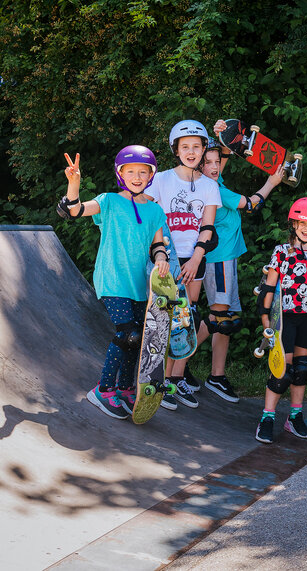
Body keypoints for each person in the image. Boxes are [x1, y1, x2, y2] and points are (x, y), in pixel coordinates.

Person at [58, 148, 169, 418]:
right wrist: (74, 185)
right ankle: (103, 390)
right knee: (127, 334)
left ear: (151, 175)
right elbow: (74, 211)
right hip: (111, 279)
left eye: (143, 171)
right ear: (120, 174)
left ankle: (126, 387)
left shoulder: (155, 210)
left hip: (137, 285)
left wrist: (162, 259)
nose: (137, 176)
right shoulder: (108, 201)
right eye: (130, 171)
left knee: (139, 339)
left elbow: (157, 244)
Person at [199, 130, 283, 402]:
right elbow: (251, 205)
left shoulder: (212, 179)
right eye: (208, 163)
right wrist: (272, 182)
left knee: (228, 321)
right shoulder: (213, 189)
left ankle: (216, 376)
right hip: (217, 259)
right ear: (199, 166)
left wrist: (223, 136)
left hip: (227, 258)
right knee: (219, 318)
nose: (214, 167)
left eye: (215, 162)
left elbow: (222, 158)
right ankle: (174, 365)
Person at [145, 119, 222, 409]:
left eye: (196, 146)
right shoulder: (161, 179)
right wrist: (163, 253)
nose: (191, 151)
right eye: (185, 146)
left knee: (187, 319)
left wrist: (196, 259)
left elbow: (207, 227)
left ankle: (176, 380)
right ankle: (158, 380)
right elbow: (148, 216)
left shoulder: (209, 186)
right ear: (176, 150)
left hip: (194, 259)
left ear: (204, 150)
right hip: (166, 257)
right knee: (163, 317)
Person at [254, 198, 307, 444]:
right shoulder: (282, 251)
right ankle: (267, 417)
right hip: (284, 319)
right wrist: (265, 323)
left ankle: (294, 416)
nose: (306, 227)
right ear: (293, 223)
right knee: (282, 372)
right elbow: (268, 289)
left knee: (302, 370)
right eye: (301, 222)